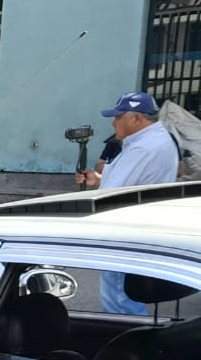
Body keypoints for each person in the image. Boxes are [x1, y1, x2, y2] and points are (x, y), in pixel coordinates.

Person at [75, 91, 178, 315]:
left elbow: (111, 195)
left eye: (118, 117)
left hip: (125, 232)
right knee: (123, 297)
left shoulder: (144, 147)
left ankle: (132, 343)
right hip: (138, 227)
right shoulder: (155, 140)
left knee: (120, 302)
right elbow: (133, 184)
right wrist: (98, 180)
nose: (113, 123)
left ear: (136, 118)